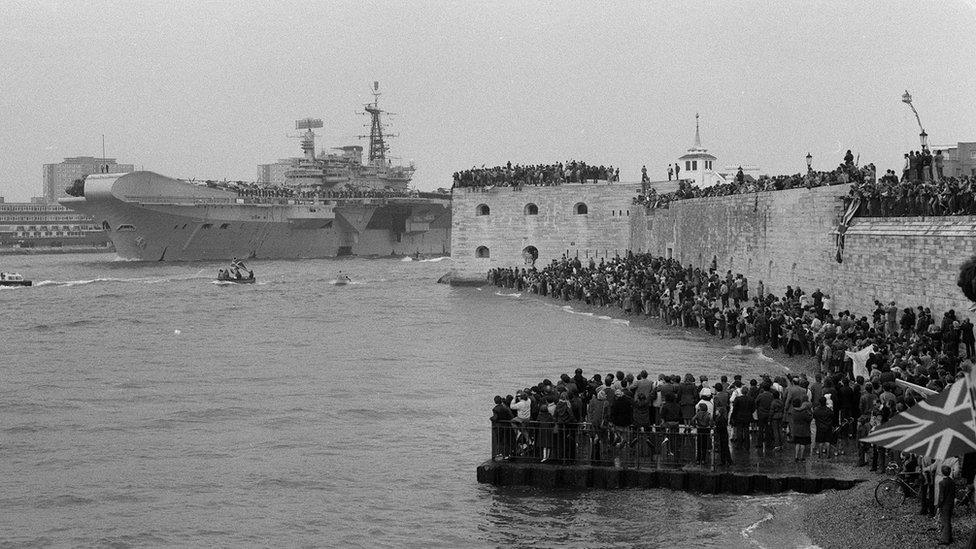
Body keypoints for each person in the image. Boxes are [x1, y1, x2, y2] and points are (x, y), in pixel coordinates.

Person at [937, 465, 956, 544]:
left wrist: (939, 505)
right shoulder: (952, 481)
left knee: (945, 521)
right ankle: (949, 537)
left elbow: (941, 496)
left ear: (942, 472)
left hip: (945, 505)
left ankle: (945, 539)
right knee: (948, 520)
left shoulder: (942, 483)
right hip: (951, 503)